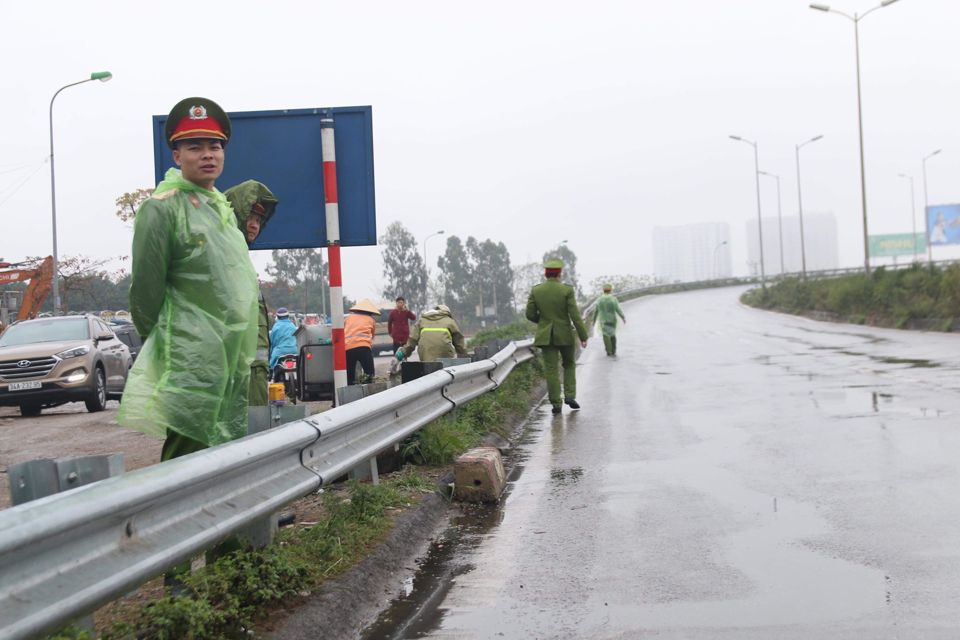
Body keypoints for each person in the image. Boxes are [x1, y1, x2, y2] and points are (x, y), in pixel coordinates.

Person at [119, 97, 259, 459]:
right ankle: (179, 515)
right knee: (189, 449)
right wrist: (169, 346)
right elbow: (145, 291)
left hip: (229, 351)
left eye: (215, 146)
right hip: (189, 353)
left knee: (225, 441)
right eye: (194, 147)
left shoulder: (221, 207)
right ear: (176, 156)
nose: (208, 154)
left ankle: (229, 514)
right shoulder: (162, 208)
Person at [225, 180, 279, 406]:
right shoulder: (227, 257)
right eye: (250, 218)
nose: (255, 225)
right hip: (241, 371)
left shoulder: (240, 258)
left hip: (254, 370)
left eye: (258, 220)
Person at [525, 258, 588, 414]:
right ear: (559, 273)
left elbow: (530, 314)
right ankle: (570, 396)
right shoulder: (567, 290)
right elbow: (575, 316)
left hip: (546, 337)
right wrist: (583, 335)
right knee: (569, 364)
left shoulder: (536, 290)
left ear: (546, 274)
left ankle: (556, 404)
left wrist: (543, 322)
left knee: (551, 370)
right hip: (565, 334)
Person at [396, 303, 468, 363]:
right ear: (447, 313)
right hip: (445, 357)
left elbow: (412, 340)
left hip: (425, 355)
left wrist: (403, 352)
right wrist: (465, 357)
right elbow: (459, 343)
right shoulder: (450, 321)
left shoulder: (421, 320)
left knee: (427, 369)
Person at [344, 298, 381, 384]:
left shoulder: (348, 318)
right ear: (370, 312)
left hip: (348, 348)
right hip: (364, 348)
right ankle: (369, 394)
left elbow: (342, 331)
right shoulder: (371, 320)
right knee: (369, 373)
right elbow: (372, 336)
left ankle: (350, 393)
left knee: (349, 375)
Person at [594, 283, 626, 356]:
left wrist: (594, 320)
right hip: (612, 319)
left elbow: (596, 310)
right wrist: (623, 317)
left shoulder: (599, 299)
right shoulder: (613, 299)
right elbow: (618, 309)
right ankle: (614, 350)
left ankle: (608, 350)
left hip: (603, 320)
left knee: (605, 335)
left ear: (603, 290)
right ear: (610, 290)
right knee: (612, 334)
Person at [269, 307, 298, 377]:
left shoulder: (275, 327)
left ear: (277, 317)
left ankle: (271, 376)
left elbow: (272, 343)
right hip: (294, 351)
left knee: (271, 367)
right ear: (288, 316)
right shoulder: (292, 326)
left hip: (279, 351)